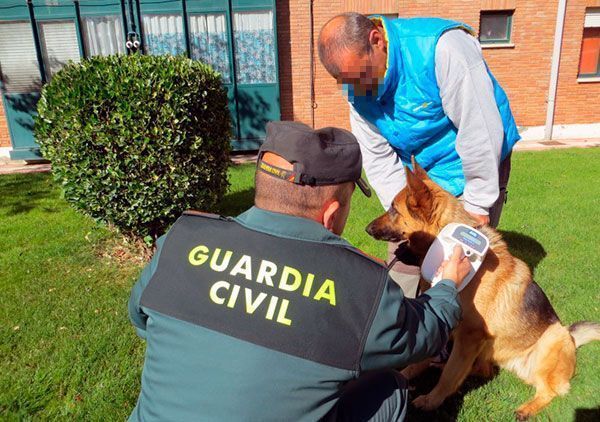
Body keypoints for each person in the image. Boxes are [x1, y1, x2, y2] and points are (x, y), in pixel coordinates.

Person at [127, 121, 470, 421]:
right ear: (331, 211)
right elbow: (422, 336)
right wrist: (446, 286)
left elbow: (141, 317)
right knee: (391, 387)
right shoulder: (359, 283)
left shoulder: (182, 237)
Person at [318, 12, 520, 296]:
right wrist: (401, 211)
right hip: (419, 174)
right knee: (403, 275)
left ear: (377, 41)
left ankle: (456, 333)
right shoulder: (357, 90)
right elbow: (378, 157)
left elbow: (480, 131)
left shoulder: (444, 49)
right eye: (347, 81)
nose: (358, 90)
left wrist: (477, 203)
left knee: (460, 270)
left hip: (467, 165)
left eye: (361, 76)